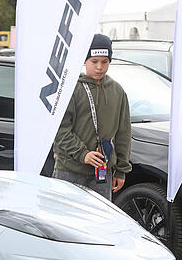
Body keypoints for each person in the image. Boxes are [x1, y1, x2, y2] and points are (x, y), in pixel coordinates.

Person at [53, 34, 132, 200]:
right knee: (65, 222)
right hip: (69, 170)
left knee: (99, 223)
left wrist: (122, 170)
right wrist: (83, 154)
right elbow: (59, 130)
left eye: (105, 61)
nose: (99, 67)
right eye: (94, 61)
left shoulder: (117, 91)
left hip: (102, 174)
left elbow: (123, 133)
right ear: (85, 61)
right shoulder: (71, 89)